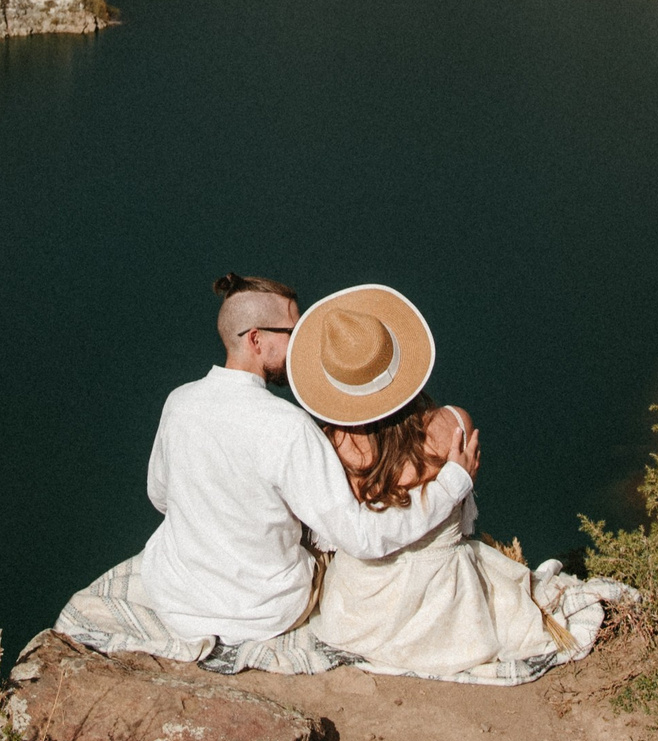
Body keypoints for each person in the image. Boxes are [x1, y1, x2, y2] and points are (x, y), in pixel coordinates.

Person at [292, 285, 629, 684]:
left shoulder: (330, 448)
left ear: (334, 385)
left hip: (360, 612)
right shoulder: (452, 426)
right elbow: (462, 519)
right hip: (446, 605)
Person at [133, 273, 481, 647]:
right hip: (262, 612)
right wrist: (451, 486)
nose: (301, 346)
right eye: (292, 333)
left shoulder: (178, 402)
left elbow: (160, 496)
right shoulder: (289, 427)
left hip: (176, 599)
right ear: (256, 339)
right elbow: (362, 538)